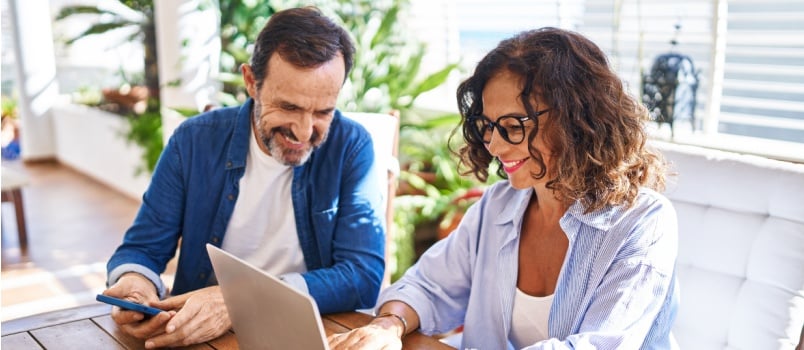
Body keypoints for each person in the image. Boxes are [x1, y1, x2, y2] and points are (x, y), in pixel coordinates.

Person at [329, 27, 679, 349]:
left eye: (512, 126)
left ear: (576, 120)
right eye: (488, 125)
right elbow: (428, 285)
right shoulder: (499, 205)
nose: (494, 146)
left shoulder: (644, 222)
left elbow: (597, 345)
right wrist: (388, 325)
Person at [102, 7, 386, 348]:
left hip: (310, 333)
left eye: (323, 111)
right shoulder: (192, 140)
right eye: (289, 107)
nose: (304, 130)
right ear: (251, 82)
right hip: (201, 336)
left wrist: (240, 301)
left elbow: (363, 276)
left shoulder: (351, 146)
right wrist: (136, 283)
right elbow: (143, 248)